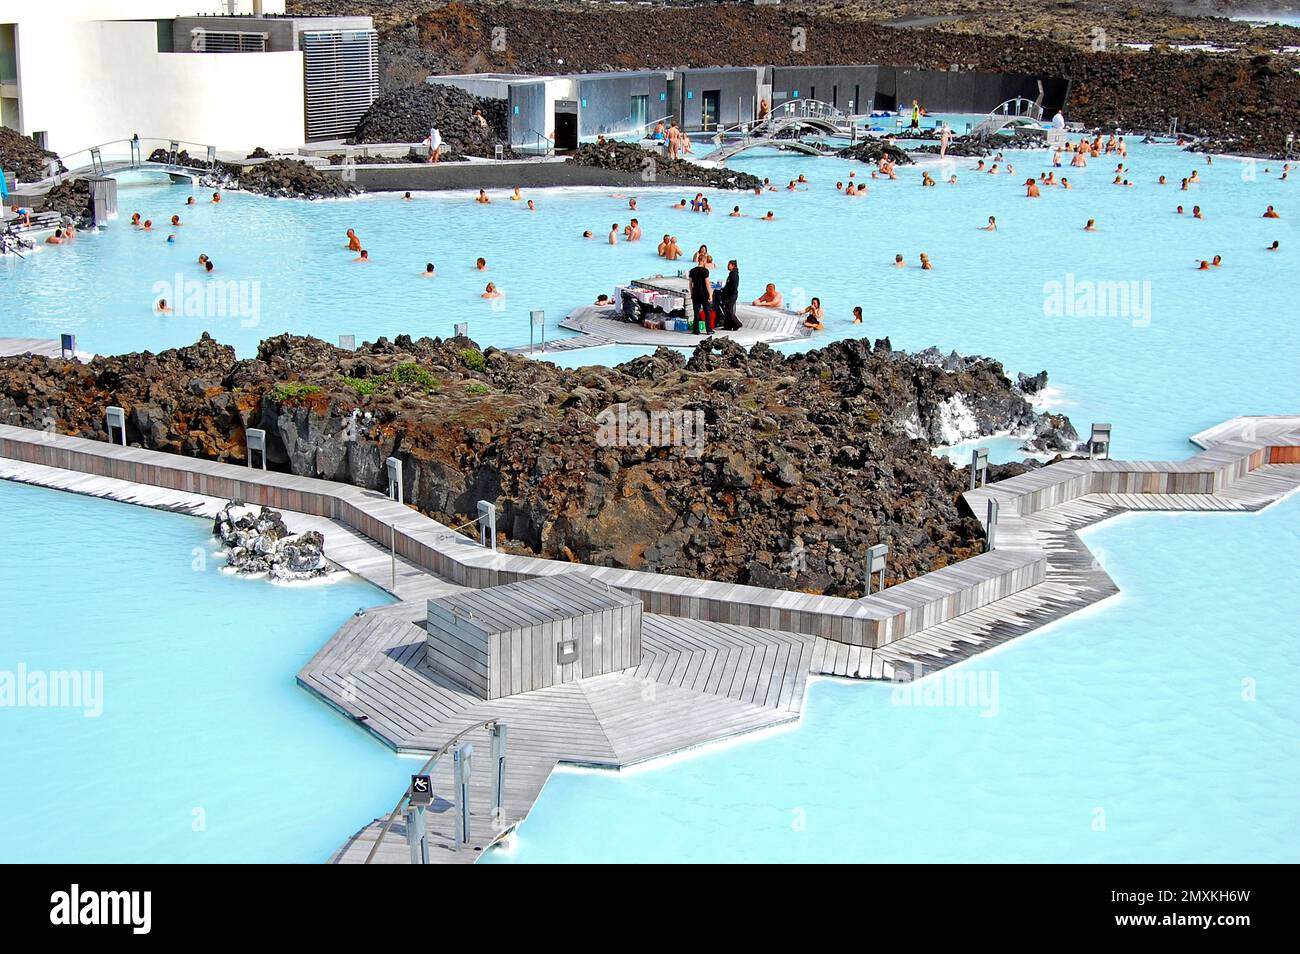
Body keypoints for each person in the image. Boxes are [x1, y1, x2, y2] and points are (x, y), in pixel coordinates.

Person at [688, 258, 712, 334]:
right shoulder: (705, 271)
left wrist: (692, 293)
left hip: (695, 293)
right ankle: (708, 330)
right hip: (704, 294)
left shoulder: (692, 271)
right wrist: (710, 294)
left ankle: (696, 330)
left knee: (696, 312)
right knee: (707, 312)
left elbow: (690, 284)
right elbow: (707, 284)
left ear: (698, 260)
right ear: (704, 261)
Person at [716, 260, 742, 331]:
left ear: (733, 265)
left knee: (729, 310)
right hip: (729, 294)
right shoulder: (732, 274)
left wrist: (729, 297)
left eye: (729, 265)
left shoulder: (734, 275)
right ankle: (728, 325)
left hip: (731, 295)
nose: (727, 266)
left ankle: (737, 323)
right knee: (726, 310)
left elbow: (733, 287)